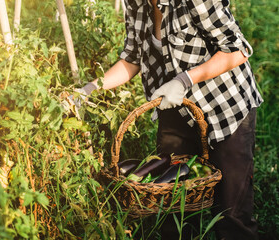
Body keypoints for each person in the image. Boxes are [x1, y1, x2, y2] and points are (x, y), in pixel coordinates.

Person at [75, 0, 263, 239]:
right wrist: (91, 87)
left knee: (232, 215)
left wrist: (184, 80)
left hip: (224, 108)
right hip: (176, 107)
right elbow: (132, 58)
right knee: (171, 210)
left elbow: (237, 50)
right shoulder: (135, 3)